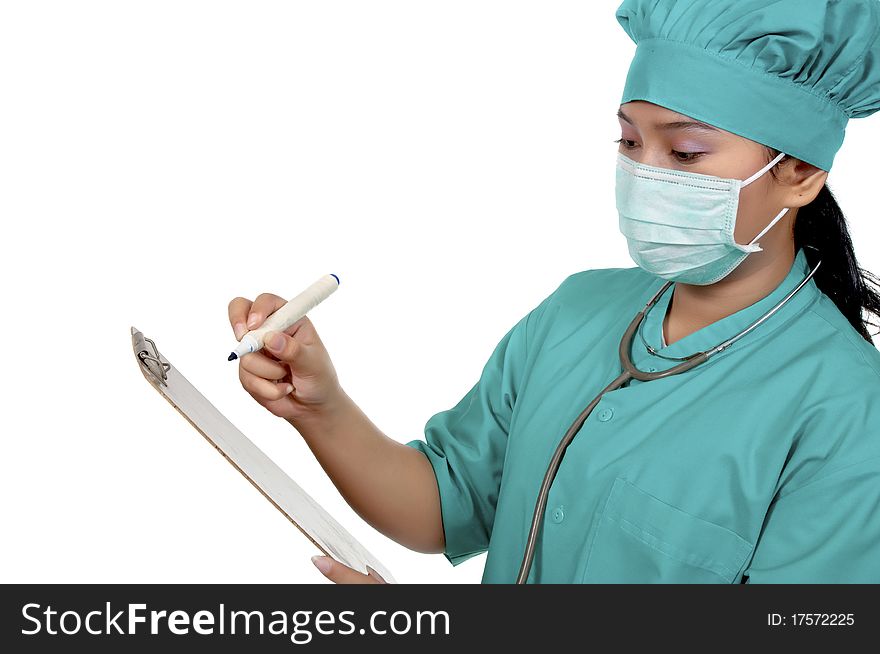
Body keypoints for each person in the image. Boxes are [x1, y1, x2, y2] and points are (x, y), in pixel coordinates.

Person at [227, 0, 880, 583]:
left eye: (685, 154)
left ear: (797, 175)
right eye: (628, 140)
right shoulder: (579, 310)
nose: (641, 173)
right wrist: (318, 406)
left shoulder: (849, 413)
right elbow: (448, 506)